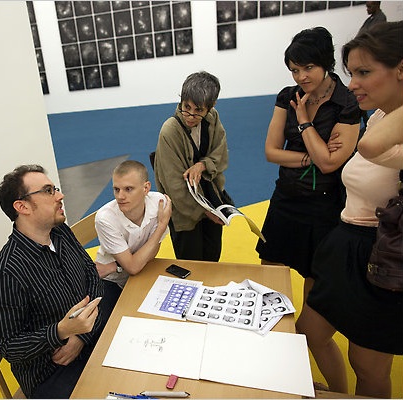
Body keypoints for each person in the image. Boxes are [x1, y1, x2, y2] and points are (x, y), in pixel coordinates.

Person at [296, 21, 403, 398]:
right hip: (347, 241)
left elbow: (367, 150)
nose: (352, 83)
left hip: (382, 255)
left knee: (369, 366)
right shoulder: (377, 116)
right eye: (351, 72)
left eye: (364, 72)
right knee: (309, 330)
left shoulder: (385, 124)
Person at [0, 164, 107, 399]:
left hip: (90, 339)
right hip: (51, 374)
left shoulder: (59, 232)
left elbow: (92, 274)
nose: (60, 195)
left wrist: (79, 336)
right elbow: (10, 347)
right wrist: (60, 331)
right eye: (48, 191)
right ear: (22, 206)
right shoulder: (6, 272)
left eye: (55, 189)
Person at [255, 27, 361, 301]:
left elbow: (328, 165)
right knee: (270, 275)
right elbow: (271, 151)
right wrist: (311, 155)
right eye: (294, 70)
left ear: (326, 63)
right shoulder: (287, 96)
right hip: (285, 198)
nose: (300, 77)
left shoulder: (347, 102)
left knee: (315, 281)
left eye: (308, 67)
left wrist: (304, 123)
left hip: (325, 205)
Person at [153, 71, 229, 262]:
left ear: (211, 107)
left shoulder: (213, 118)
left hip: (211, 200)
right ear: (181, 99)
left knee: (212, 260)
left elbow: (221, 153)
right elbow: (173, 185)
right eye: (187, 107)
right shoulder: (169, 131)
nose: (191, 115)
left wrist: (202, 165)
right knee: (191, 266)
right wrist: (205, 212)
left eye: (199, 110)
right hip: (184, 212)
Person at [94, 160, 172, 311]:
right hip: (111, 280)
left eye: (128, 189)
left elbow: (152, 252)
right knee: (106, 327)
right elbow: (132, 267)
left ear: (146, 188)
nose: (120, 196)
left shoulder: (160, 202)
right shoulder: (105, 218)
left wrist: (122, 264)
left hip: (145, 269)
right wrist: (161, 226)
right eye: (116, 189)